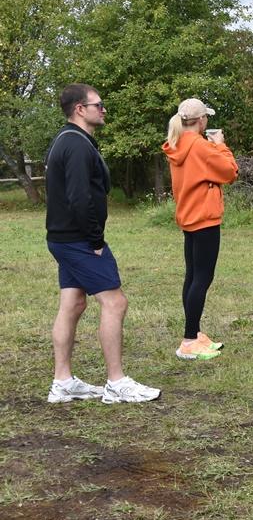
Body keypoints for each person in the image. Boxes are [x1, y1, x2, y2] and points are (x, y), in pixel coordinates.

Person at [44, 83, 160, 404]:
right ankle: (116, 383)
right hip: (79, 239)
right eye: (99, 104)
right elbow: (79, 197)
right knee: (115, 302)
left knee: (73, 303)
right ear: (80, 109)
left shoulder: (68, 140)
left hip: (63, 237)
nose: (104, 109)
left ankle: (63, 382)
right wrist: (94, 240)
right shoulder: (77, 145)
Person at [162, 98, 239, 360]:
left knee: (193, 276)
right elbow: (229, 172)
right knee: (202, 278)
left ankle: (193, 334)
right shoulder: (200, 146)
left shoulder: (178, 143)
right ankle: (188, 340)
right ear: (202, 120)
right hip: (205, 217)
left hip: (188, 215)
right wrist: (221, 145)